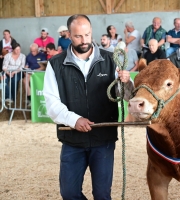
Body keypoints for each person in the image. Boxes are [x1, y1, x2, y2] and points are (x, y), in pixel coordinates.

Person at [43, 14, 134, 200]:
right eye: (78, 36)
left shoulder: (111, 59)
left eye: (87, 34)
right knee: (69, 193)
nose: (84, 40)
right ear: (69, 35)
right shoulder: (55, 65)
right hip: (72, 140)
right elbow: (51, 104)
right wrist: (74, 120)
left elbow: (126, 96)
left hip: (104, 139)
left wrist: (126, 82)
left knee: (102, 194)